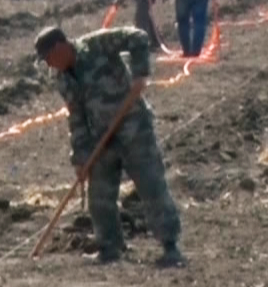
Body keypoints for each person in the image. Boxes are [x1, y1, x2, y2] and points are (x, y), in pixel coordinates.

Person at [35, 25, 184, 267]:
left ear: (60, 47)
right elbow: (76, 117)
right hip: (102, 137)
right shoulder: (62, 79)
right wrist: (81, 157)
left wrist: (140, 73)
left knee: (151, 185)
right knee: (99, 195)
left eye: (49, 58)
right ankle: (110, 247)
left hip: (134, 127)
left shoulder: (97, 45)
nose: (49, 65)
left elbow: (139, 36)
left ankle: (170, 245)